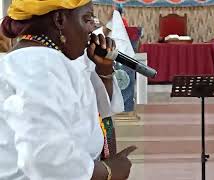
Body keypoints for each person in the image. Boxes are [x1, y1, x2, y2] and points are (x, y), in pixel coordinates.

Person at [0, 0, 136, 179]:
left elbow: (88, 115)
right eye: (87, 19)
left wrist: (103, 70)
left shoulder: (42, 60)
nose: (92, 29)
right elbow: (45, 156)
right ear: (59, 20)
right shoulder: (42, 65)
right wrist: (108, 171)